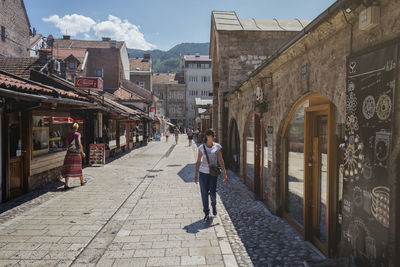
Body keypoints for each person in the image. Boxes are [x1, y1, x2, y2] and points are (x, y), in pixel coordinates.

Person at [194, 129, 227, 222]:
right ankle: (206, 213)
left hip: (213, 174)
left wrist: (224, 172)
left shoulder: (217, 147)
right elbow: (198, 161)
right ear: (207, 137)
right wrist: (196, 175)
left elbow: (220, 160)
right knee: (204, 193)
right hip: (203, 173)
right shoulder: (201, 147)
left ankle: (213, 204)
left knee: (212, 193)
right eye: (211, 136)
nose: (212, 138)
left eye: (213, 136)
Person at [62, 123, 87, 190]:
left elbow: (67, 145)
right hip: (76, 154)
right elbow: (79, 143)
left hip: (69, 153)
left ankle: (66, 184)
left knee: (68, 167)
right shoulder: (78, 134)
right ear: (76, 128)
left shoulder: (68, 135)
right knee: (78, 167)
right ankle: (82, 181)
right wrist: (82, 152)